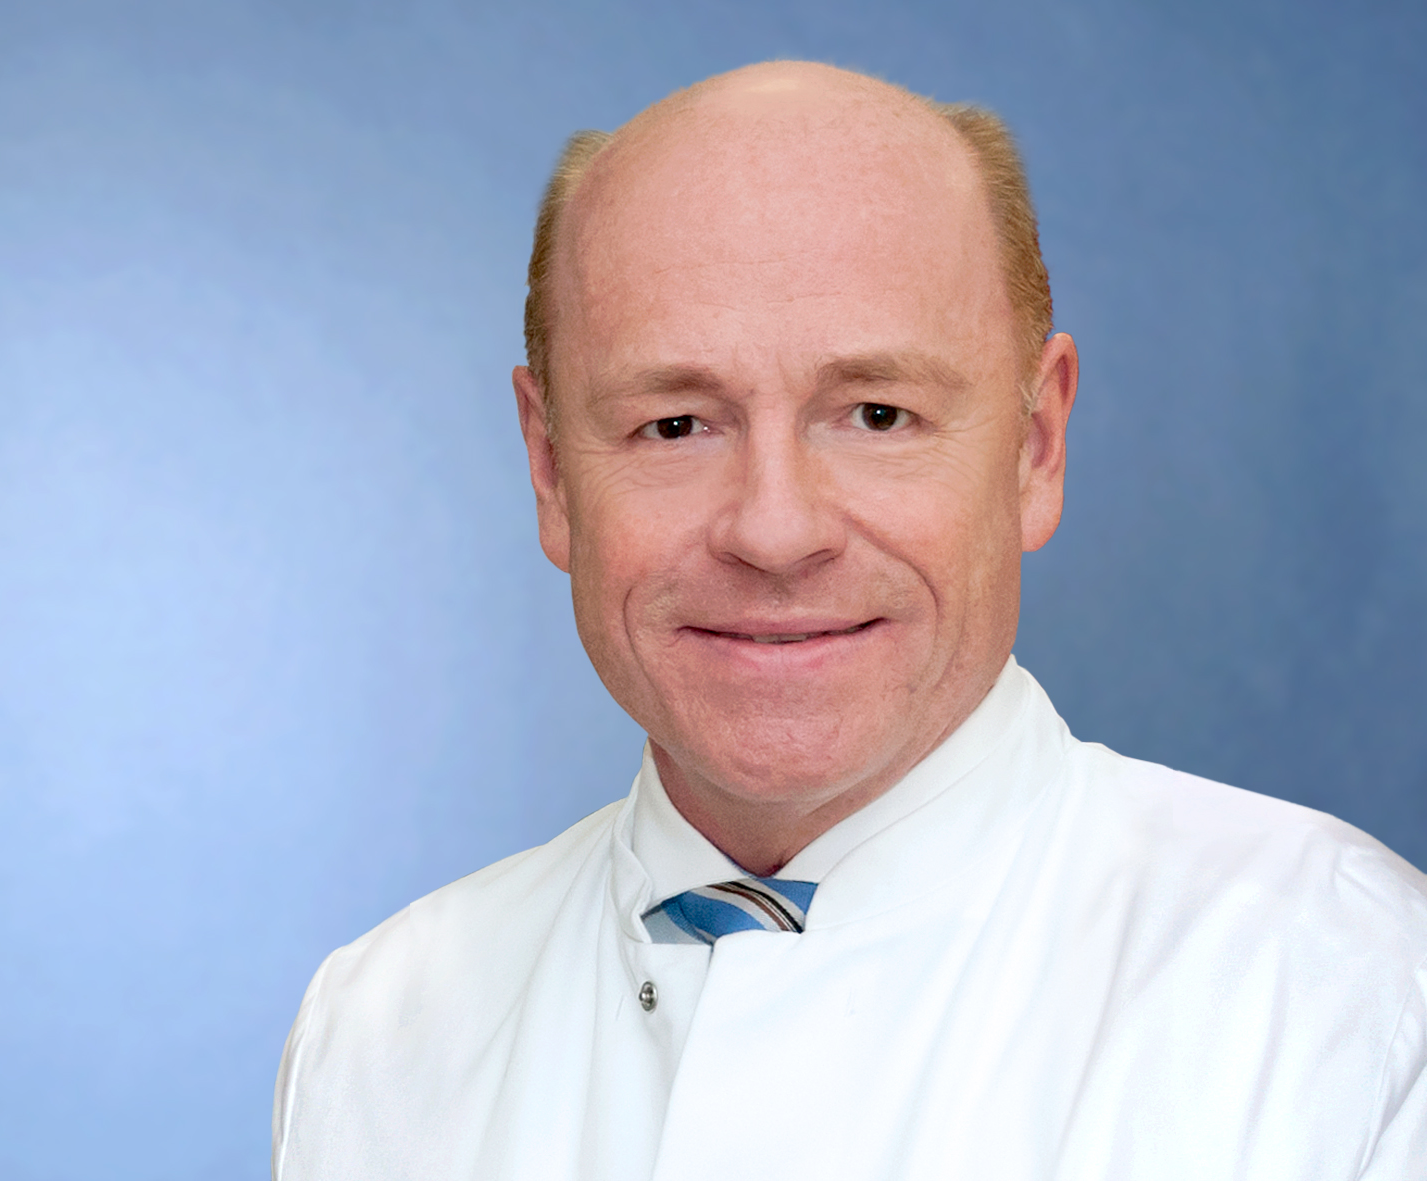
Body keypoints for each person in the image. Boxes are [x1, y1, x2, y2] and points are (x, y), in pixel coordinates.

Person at [272, 61, 1427, 1179]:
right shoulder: (378, 1032)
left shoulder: (1348, 991)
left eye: (876, 413)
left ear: (1034, 447)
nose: (774, 531)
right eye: (674, 424)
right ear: (549, 469)